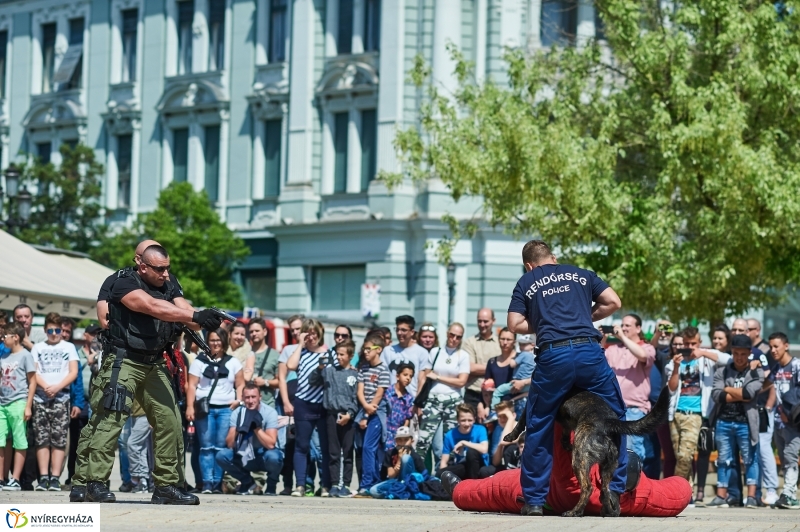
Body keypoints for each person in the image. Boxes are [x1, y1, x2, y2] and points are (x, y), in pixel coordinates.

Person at [73, 244, 223, 504]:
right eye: (160, 269)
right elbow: (151, 306)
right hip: (124, 361)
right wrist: (194, 314)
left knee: (171, 422)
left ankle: (167, 486)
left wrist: (203, 318)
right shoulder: (122, 283)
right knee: (110, 420)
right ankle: (92, 483)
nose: (166, 274)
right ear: (141, 265)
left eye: (168, 268)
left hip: (155, 363)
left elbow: (183, 309)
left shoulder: (168, 282)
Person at [506, 239, 624, 517]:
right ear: (554, 258)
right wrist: (584, 316)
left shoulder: (527, 281)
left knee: (539, 424)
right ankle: (614, 492)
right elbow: (614, 302)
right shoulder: (581, 274)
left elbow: (513, 324)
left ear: (528, 265)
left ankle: (534, 501)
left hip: (553, 357)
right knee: (616, 415)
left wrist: (548, 321)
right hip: (588, 352)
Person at [448, 424, 692, 517]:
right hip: (556, 486)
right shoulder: (637, 493)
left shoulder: (584, 485)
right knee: (492, 486)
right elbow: (679, 491)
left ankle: (456, 487)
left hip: (542, 489)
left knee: (490, 487)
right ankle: (456, 487)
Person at [664, 326, 729, 504]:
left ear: (699, 343)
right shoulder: (673, 363)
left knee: (685, 456)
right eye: (686, 343)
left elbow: (728, 359)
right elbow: (671, 388)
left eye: (693, 343)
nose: (690, 347)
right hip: (676, 414)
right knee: (681, 457)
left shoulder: (705, 360)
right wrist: (677, 367)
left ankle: (675, 493)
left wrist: (703, 353)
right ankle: (688, 495)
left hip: (696, 415)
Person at [705, 334, 765, 509]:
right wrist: (740, 393)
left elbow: (750, 394)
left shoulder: (756, 371)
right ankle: (721, 496)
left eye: (743, 354)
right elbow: (717, 395)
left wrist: (728, 389)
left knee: (750, 459)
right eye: (736, 353)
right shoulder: (722, 371)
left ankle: (752, 497)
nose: (739, 357)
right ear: (732, 352)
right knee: (723, 459)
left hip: (746, 423)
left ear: (749, 353)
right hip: (723, 422)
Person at [186, 327, 244, 493]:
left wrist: (238, 401)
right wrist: (190, 406)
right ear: (207, 342)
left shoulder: (233, 362)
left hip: (226, 409)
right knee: (205, 448)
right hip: (205, 410)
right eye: (212, 340)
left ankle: (218, 483)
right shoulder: (199, 362)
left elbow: (240, 384)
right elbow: (192, 385)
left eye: (218, 340)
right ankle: (207, 483)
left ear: (224, 342)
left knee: (220, 448)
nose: (215, 343)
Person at [285, 318, 334, 497]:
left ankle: (326, 485)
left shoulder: (328, 353)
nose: (311, 336)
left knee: (324, 447)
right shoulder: (302, 352)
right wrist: (300, 343)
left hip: (322, 404)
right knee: (301, 446)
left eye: (314, 333)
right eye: (308, 332)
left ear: (319, 333)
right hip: (303, 403)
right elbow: (290, 366)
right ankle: (300, 485)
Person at [30, 312, 79, 492]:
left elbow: (73, 372)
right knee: (42, 438)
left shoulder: (69, 347)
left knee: (58, 439)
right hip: (40, 398)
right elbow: (33, 372)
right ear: (45, 330)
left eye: (57, 330)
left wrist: (57, 387)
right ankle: (43, 477)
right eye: (50, 330)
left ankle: (55, 478)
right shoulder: (38, 348)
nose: (54, 333)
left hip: (61, 396)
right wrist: (45, 387)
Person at [603, 314, 656, 461]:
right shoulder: (613, 349)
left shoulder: (648, 347)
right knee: (610, 453)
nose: (623, 328)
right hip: (612, 408)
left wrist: (622, 338)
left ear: (638, 328)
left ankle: (635, 485)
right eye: (622, 325)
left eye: (628, 326)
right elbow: (596, 358)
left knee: (632, 454)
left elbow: (642, 356)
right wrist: (602, 338)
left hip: (634, 410)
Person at [309, 339, 358, 498]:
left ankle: (346, 484)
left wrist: (349, 414)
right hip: (331, 415)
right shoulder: (329, 371)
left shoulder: (355, 374)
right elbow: (312, 380)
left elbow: (356, 398)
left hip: (348, 417)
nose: (338, 357)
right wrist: (319, 368)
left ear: (350, 356)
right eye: (337, 354)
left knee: (348, 452)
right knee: (333, 452)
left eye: (342, 354)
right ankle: (335, 484)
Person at [215, 382, 283, 495]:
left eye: (253, 397)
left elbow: (271, 444)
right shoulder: (237, 413)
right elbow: (230, 444)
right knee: (222, 456)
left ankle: (271, 485)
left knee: (275, 457)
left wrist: (256, 428)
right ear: (242, 398)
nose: (250, 401)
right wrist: (240, 427)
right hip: (243, 454)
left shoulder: (270, 412)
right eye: (247, 397)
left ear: (260, 397)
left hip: (262, 454)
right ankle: (247, 481)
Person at [417, 322, 469, 462]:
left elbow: (462, 381)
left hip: (453, 400)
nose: (454, 339)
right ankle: (417, 476)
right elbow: (426, 376)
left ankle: (446, 474)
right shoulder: (435, 352)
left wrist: (439, 377)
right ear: (447, 334)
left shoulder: (463, 355)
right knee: (423, 439)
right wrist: (418, 403)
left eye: (458, 337)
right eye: (452, 335)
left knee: (450, 439)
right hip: (433, 399)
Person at [0, 323, 36, 491]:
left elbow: (33, 381)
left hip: (19, 402)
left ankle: (15, 479)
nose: (2, 339)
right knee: (1, 441)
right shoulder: (4, 356)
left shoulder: (26, 356)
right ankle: (2, 478)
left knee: (19, 440)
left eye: (4, 336)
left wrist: (28, 406)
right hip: (2, 403)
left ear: (15, 337)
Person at [768, 331, 800, 509]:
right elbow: (766, 383)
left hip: (794, 423)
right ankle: (788, 493)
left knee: (790, 456)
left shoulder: (796, 366)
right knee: (784, 458)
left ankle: (789, 494)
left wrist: (794, 413)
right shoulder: (776, 368)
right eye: (771, 346)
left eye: (776, 346)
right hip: (778, 423)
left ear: (786, 346)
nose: (773, 350)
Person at [355, 334, 390, 496]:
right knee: (363, 447)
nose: (366, 352)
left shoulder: (383, 370)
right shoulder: (364, 368)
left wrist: (367, 415)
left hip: (376, 414)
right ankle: (372, 480)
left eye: (369, 349)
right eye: (365, 349)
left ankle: (368, 483)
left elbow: (379, 394)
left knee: (370, 447)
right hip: (365, 410)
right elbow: (360, 391)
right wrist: (365, 407)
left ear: (379, 350)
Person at [276, 314, 304, 495]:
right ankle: (287, 484)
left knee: (304, 445)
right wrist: (285, 402)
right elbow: (282, 377)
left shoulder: (315, 348)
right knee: (286, 445)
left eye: (298, 328)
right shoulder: (287, 350)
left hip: (306, 403)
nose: (295, 332)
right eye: (292, 329)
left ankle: (305, 483)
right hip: (287, 402)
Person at [462, 309, 501, 417]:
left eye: (485, 321)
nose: (482, 324)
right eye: (479, 321)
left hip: (495, 396)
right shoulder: (469, 342)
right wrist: (495, 368)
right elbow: (470, 368)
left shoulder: (500, 342)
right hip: (473, 394)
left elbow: (505, 366)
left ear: (493, 321)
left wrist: (480, 369)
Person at [438, 403, 491, 480]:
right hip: (463, 466)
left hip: (479, 465)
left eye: (470, 420)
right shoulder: (450, 435)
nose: (467, 424)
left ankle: (473, 485)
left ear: (474, 419)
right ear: (457, 420)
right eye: (463, 420)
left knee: (471, 452)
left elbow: (484, 449)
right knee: (441, 473)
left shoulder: (480, 429)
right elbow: (444, 461)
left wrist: (464, 443)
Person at [369, 426, 426, 498]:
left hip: (411, 482)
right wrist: (399, 459)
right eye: (399, 440)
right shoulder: (390, 453)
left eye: (406, 440)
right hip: (396, 481)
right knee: (373, 490)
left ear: (412, 441)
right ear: (395, 441)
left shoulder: (415, 456)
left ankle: (402, 492)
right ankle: (401, 492)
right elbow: (391, 476)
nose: (402, 443)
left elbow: (423, 475)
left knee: (406, 458)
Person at [381, 316, 428, 397]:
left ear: (412, 332)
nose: (399, 333)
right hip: (389, 399)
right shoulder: (387, 351)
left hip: (410, 400)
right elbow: (382, 376)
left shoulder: (422, 352)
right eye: (397, 329)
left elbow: (421, 380)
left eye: (403, 330)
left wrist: (417, 401)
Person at [490, 330, 536, 410]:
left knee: (498, 391)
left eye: (524, 344)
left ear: (532, 345)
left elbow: (512, 364)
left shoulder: (523, 354)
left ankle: (494, 410)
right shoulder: (534, 357)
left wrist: (513, 358)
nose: (521, 347)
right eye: (520, 344)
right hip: (528, 385)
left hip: (517, 382)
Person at [244, 318, 280, 407]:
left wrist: (265, 382)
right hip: (246, 404)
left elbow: (280, 382)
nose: (254, 334)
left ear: (265, 332)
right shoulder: (244, 353)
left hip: (267, 404)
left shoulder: (275, 355)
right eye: (251, 331)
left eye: (257, 331)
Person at [385, 362, 415, 450]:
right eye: (405, 375)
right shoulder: (387, 392)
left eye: (410, 376)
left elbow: (407, 418)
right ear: (397, 376)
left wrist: (402, 434)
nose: (408, 378)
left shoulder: (409, 398)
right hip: (384, 433)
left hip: (397, 436)